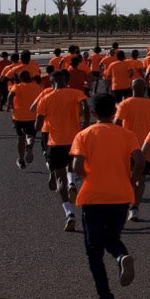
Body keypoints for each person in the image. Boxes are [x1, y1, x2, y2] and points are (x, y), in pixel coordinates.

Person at [70, 94, 145, 299]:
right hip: (120, 195)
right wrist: (130, 180)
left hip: (93, 197)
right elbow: (140, 160)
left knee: (94, 252)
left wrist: (88, 178)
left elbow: (76, 165)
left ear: (93, 113)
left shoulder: (84, 135)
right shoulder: (127, 134)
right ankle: (121, 256)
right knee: (112, 238)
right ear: (114, 112)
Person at [33, 70, 89, 233]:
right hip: (74, 140)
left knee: (59, 178)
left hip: (55, 142)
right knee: (72, 166)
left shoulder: (46, 98)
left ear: (51, 82)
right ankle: (72, 183)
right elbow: (85, 106)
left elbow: (38, 124)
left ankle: (69, 213)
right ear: (66, 80)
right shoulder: (75, 93)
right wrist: (85, 124)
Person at [116, 79, 150, 222]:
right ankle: (134, 208)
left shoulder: (125, 104)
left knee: (124, 177)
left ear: (131, 88)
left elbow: (117, 124)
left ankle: (123, 204)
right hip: (145, 148)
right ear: (145, 88)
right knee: (140, 180)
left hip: (125, 148)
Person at [8, 70, 42, 169]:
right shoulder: (37, 87)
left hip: (19, 116)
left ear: (20, 78)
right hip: (33, 116)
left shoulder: (17, 87)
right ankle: (30, 145)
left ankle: (21, 159)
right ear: (30, 77)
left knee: (20, 137)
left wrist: (10, 105)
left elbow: (10, 95)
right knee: (30, 135)